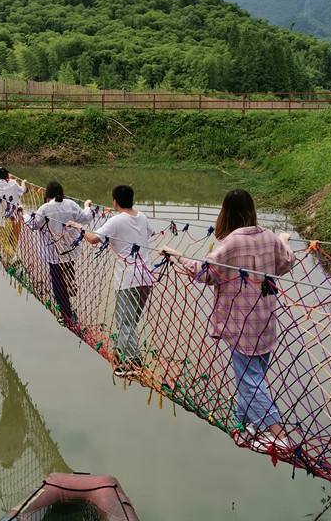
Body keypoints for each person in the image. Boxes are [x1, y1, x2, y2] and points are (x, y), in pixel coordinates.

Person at [159, 188, 295, 451]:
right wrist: (284, 239)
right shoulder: (268, 237)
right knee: (252, 376)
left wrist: (176, 256)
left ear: (226, 213)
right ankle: (248, 427)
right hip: (265, 320)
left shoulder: (231, 242)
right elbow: (286, 262)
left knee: (249, 379)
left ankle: (278, 434)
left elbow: (204, 274)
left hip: (240, 322)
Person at [68, 184, 154, 376]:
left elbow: (92, 239)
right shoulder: (142, 217)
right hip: (147, 278)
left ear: (114, 202)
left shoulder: (117, 221)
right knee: (130, 321)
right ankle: (125, 355)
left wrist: (79, 227)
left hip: (128, 279)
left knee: (125, 323)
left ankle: (133, 363)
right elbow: (150, 233)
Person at [28, 181, 92, 326]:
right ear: (62, 193)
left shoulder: (45, 208)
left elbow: (34, 225)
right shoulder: (70, 204)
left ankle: (67, 314)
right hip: (70, 249)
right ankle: (70, 290)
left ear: (46, 194)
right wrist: (87, 206)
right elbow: (86, 218)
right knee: (68, 273)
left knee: (57, 282)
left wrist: (25, 215)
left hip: (53, 252)